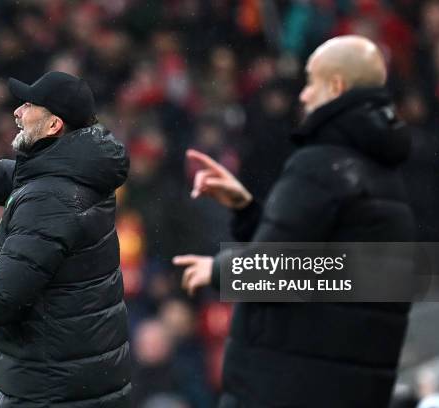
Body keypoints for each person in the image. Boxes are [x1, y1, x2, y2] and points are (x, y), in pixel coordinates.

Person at [173, 36, 415, 407]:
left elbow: (273, 271)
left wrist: (219, 269)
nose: (302, 95)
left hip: (287, 390)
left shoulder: (319, 165)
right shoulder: (386, 177)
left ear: (335, 87)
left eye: (311, 82)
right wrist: (248, 209)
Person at [0, 71, 132, 407]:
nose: (17, 112)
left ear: (54, 126)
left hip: (50, 391)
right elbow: (4, 176)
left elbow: (2, 299)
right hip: (84, 381)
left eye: (29, 105)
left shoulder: (50, 197)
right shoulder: (79, 168)